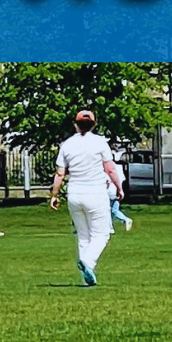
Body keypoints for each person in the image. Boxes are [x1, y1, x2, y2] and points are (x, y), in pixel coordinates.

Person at [47, 109, 115, 287]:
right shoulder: (100, 142)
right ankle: (88, 263)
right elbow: (110, 168)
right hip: (96, 192)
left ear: (75, 124)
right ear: (94, 124)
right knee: (102, 234)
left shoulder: (67, 144)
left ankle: (86, 276)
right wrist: (120, 187)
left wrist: (54, 195)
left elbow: (60, 174)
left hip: (75, 194)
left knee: (84, 236)